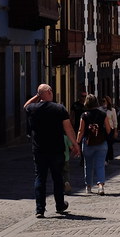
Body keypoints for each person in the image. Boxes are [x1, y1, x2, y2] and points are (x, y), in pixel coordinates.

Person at [24, 84, 79, 218]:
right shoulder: (59, 108)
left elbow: (26, 106)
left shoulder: (33, 108)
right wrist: (75, 144)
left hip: (39, 150)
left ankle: (40, 209)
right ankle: (60, 205)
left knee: (40, 178)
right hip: (56, 150)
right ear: (49, 92)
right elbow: (68, 128)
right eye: (51, 91)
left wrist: (38, 95)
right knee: (57, 178)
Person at [77, 94, 112, 194]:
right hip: (101, 142)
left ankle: (88, 186)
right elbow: (108, 129)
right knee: (100, 164)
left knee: (88, 165)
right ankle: (100, 186)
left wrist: (77, 142)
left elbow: (81, 131)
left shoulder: (84, 115)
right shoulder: (103, 114)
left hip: (88, 143)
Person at [102, 95, 118, 161]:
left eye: (104, 101)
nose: (103, 102)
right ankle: (105, 157)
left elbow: (115, 121)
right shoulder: (100, 109)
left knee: (109, 143)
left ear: (108, 102)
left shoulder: (112, 110)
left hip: (110, 128)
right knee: (103, 143)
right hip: (103, 129)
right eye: (102, 101)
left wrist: (115, 131)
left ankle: (109, 156)